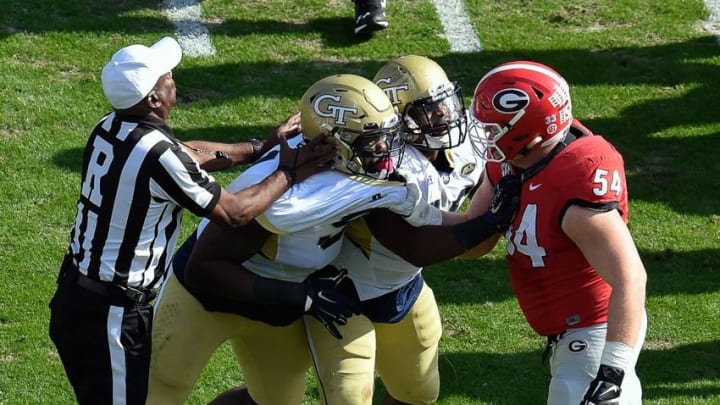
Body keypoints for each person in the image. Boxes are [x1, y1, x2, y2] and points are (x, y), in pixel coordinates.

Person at [147, 73, 518, 405]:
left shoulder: (359, 177)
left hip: (282, 307)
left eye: (387, 138)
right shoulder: (281, 199)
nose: (385, 153)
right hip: (207, 299)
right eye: (371, 143)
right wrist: (298, 297)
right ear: (331, 143)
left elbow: (419, 218)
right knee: (163, 391)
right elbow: (204, 270)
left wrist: (483, 217)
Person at [47, 36, 335, 405]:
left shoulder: (110, 126)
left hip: (76, 296)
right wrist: (289, 172)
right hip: (111, 315)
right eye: (166, 76)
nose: (173, 79)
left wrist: (259, 148)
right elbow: (234, 212)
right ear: (153, 99)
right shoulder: (158, 155)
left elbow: (187, 155)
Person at [462, 60, 648, 405]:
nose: (486, 136)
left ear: (527, 131)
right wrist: (410, 211)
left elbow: (631, 277)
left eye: (494, 128)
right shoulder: (515, 159)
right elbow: (470, 244)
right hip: (568, 335)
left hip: (596, 335)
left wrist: (613, 371)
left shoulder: (574, 184)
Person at [304, 54, 485, 405]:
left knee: (417, 395)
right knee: (327, 399)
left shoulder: (464, 143)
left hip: (403, 286)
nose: (444, 116)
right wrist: (491, 221)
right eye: (428, 111)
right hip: (342, 294)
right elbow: (415, 246)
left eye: (445, 104)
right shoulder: (380, 167)